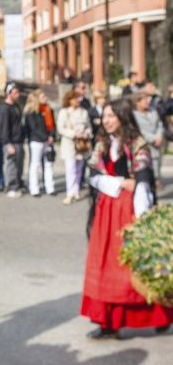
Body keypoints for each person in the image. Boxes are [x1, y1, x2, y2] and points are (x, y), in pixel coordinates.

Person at [81, 98, 173, 339]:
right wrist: (121, 182)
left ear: (122, 117)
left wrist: (142, 222)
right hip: (106, 211)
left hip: (128, 211)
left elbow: (142, 184)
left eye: (111, 116)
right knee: (104, 265)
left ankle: (161, 315)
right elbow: (91, 175)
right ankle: (109, 322)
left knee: (133, 267)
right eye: (105, 116)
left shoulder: (137, 144)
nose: (107, 121)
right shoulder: (102, 143)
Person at [57, 91, 92, 205]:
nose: (77, 100)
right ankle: (70, 193)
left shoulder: (84, 112)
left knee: (79, 169)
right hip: (69, 144)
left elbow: (89, 127)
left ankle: (76, 191)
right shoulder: (64, 112)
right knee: (70, 169)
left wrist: (86, 133)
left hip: (82, 144)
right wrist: (73, 133)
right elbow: (60, 128)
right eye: (75, 98)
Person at [23, 89, 56, 197]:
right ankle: (34, 188)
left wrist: (51, 136)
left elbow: (52, 126)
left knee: (48, 164)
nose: (45, 98)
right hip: (36, 141)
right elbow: (33, 128)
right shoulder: (31, 112)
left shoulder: (48, 110)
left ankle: (50, 187)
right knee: (35, 165)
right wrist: (45, 137)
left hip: (47, 141)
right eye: (42, 96)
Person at [132, 91, 164, 187]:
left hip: (157, 143)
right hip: (144, 145)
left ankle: (156, 180)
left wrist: (159, 136)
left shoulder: (153, 111)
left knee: (157, 163)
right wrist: (153, 138)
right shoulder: (134, 115)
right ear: (137, 102)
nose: (147, 102)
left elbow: (160, 124)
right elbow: (138, 130)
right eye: (144, 100)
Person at [0, 82, 25, 198]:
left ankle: (18, 184)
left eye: (18, 92)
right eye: (15, 93)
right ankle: (11, 187)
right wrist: (7, 143)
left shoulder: (16, 106)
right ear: (9, 93)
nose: (18, 95)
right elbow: (3, 127)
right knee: (11, 165)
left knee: (19, 165)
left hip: (19, 140)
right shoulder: (4, 108)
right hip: (11, 142)